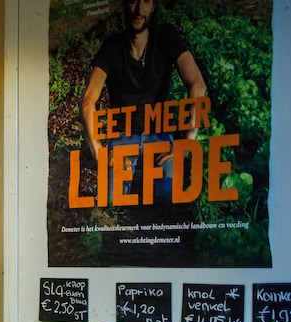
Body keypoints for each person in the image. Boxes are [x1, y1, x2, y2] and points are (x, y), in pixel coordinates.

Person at [79, 0, 207, 204]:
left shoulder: (166, 37)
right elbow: (87, 101)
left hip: (159, 138)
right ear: (123, 5)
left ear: (154, 6)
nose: (139, 9)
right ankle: (136, 175)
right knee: (111, 199)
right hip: (122, 140)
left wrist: (187, 142)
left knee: (168, 195)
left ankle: (142, 175)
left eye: (145, 1)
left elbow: (197, 85)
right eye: (132, 1)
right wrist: (99, 152)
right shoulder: (112, 46)